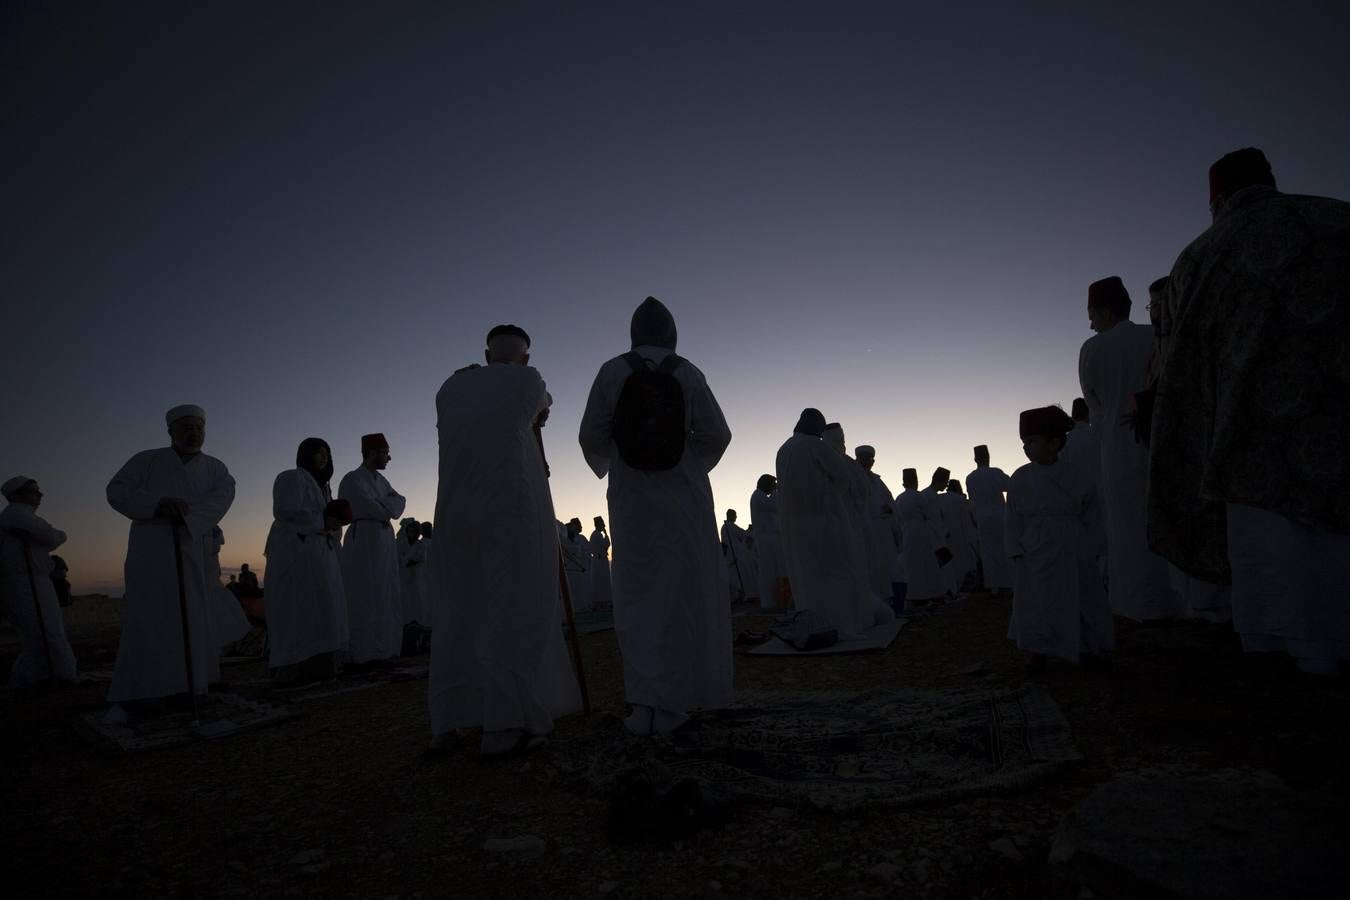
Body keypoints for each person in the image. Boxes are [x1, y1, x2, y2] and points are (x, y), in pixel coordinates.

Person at [1152, 148, 1350, 674]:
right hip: (1339, 416)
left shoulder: (1205, 253)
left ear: (1216, 198)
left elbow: (1182, 361)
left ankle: (1292, 651)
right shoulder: (1338, 220)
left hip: (1251, 433)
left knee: (1276, 551)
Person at [579, 297, 732, 736]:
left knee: (638, 594)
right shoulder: (687, 371)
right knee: (684, 589)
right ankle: (676, 703)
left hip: (631, 501)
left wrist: (622, 461)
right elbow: (717, 434)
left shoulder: (612, 370)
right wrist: (686, 464)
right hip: (683, 499)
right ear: (672, 334)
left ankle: (644, 705)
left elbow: (590, 435)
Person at [429, 324, 580, 756]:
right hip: (508, 510)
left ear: (485, 352)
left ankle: (449, 721)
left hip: (454, 513)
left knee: (459, 612)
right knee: (515, 607)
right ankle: (504, 723)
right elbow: (543, 406)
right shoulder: (529, 380)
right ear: (526, 358)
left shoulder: (450, 386)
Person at [105, 405, 235, 715]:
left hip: (192, 546)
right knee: (150, 615)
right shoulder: (146, 460)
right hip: (151, 547)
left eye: (199, 427)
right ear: (171, 431)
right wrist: (156, 505)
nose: (194, 433)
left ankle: (189, 686)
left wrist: (189, 519)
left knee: (192, 615)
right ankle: (144, 689)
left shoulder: (216, 468)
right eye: (186, 427)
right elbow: (117, 490)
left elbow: (222, 497)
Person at [1079, 276, 1184, 621]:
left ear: (1105, 312)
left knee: (1126, 524)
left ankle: (1137, 602)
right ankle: (1180, 597)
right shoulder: (1152, 337)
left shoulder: (1092, 349)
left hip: (1116, 441)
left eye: (1092, 314)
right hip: (1160, 437)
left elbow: (1092, 399)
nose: (1090, 322)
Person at [1006, 406, 1113, 673]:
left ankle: (1088, 645)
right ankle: (1037, 650)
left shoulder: (1077, 473)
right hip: (1034, 546)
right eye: (1024, 443)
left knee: (1082, 595)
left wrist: (1095, 544)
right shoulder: (1020, 478)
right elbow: (1012, 517)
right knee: (1035, 600)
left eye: (1032, 441)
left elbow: (1091, 510)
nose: (1026, 448)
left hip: (1071, 543)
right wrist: (1015, 548)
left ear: (1054, 442)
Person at [776, 411, 892, 637]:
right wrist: (830, 500)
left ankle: (814, 626)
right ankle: (844, 625)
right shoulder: (816, 446)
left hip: (795, 525)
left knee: (807, 575)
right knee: (835, 572)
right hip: (824, 521)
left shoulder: (783, 449)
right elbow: (842, 478)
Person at [264, 438, 350, 687]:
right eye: (317, 453)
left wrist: (332, 526)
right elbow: (286, 510)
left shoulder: (324, 488)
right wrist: (322, 522)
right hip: (295, 554)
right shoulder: (292, 478)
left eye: (326, 454)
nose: (322, 458)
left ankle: (320, 669)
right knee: (298, 609)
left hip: (320, 556)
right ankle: (293, 670)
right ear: (305, 455)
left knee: (324, 609)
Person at [0, 477, 78, 685]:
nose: (40, 495)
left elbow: (48, 539)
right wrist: (53, 536)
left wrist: (49, 537)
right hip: (26, 582)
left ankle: (32, 677)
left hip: (28, 580)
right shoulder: (17, 515)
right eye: (33, 491)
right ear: (16, 495)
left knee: (39, 634)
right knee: (47, 631)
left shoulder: (20, 517)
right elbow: (53, 537)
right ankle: (62, 676)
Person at [338, 432, 406, 665]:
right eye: (385, 453)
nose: (389, 458)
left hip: (384, 542)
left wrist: (385, 506)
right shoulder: (352, 479)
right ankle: (362, 653)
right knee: (364, 593)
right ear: (373, 453)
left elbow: (400, 502)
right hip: (364, 540)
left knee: (385, 593)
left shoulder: (382, 481)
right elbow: (368, 506)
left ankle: (384, 650)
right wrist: (386, 507)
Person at [894, 468, 945, 605]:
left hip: (906, 533)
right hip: (921, 533)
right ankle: (929, 594)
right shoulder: (919, 496)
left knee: (912, 566)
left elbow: (897, 518)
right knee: (926, 564)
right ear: (915, 481)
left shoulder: (899, 498)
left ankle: (914, 595)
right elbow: (930, 515)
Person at [855, 445, 899, 606]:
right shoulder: (854, 477)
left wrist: (889, 509)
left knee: (886, 565)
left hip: (882, 529)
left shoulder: (878, 480)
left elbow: (890, 502)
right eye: (868, 458)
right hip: (865, 528)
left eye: (872, 459)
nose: (871, 462)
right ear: (860, 459)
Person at [966, 445, 1012, 595]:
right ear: (988, 458)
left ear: (975, 459)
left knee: (987, 551)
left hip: (982, 517)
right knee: (1003, 548)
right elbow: (1010, 485)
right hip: (999, 515)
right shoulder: (996, 473)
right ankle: (1006, 582)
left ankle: (993, 585)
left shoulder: (971, 477)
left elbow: (972, 499)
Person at [749, 475, 788, 610]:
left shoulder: (762, 497)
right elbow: (774, 506)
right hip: (766, 539)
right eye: (772, 484)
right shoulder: (758, 496)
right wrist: (777, 491)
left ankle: (777, 599)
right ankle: (767, 602)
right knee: (767, 570)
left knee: (776, 569)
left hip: (772, 538)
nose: (774, 486)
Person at [561, 517, 594, 613]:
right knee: (573, 590)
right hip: (572, 569)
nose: (581, 527)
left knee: (581, 590)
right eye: (579, 525)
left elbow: (588, 550)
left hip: (581, 569)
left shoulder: (581, 538)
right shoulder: (566, 539)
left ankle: (582, 607)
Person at [720, 509, 752, 602]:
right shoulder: (730, 526)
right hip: (735, 555)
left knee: (734, 576)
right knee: (737, 576)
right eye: (735, 515)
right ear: (731, 516)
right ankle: (738, 595)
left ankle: (737, 595)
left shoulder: (724, 527)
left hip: (730, 555)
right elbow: (743, 534)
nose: (736, 517)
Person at [588, 516, 612, 607]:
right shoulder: (596, 535)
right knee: (601, 581)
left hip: (601, 560)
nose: (604, 526)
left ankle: (603, 601)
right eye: (602, 524)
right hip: (599, 561)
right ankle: (601, 601)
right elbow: (606, 544)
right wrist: (606, 534)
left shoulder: (596, 534)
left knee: (602, 581)